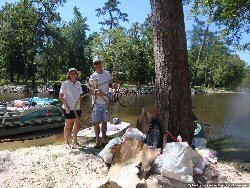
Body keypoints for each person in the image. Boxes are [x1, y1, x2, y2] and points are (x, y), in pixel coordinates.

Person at [90, 57, 112, 148]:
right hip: (96, 103)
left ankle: (104, 140)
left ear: (101, 63)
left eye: (98, 63)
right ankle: (97, 141)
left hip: (106, 102)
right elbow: (91, 89)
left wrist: (109, 94)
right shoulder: (93, 76)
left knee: (104, 122)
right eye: (95, 63)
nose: (97, 65)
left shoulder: (107, 74)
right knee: (96, 123)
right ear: (94, 65)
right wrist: (95, 91)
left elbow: (110, 85)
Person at [59, 68, 83, 147]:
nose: (73, 74)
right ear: (69, 75)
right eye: (71, 73)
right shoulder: (65, 83)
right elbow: (61, 96)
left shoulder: (79, 83)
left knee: (77, 124)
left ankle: (75, 140)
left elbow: (80, 96)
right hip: (68, 107)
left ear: (77, 75)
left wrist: (81, 107)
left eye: (74, 73)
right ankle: (66, 142)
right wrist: (66, 106)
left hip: (77, 108)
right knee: (68, 125)